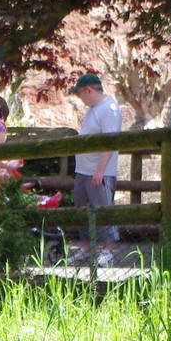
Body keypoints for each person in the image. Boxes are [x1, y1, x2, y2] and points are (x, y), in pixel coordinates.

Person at [70, 71, 123, 264]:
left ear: (89, 90)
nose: (81, 99)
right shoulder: (93, 109)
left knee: (103, 209)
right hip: (83, 169)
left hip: (99, 170)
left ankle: (108, 249)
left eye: (80, 94)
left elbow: (110, 141)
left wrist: (100, 170)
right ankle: (85, 247)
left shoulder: (109, 108)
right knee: (81, 209)